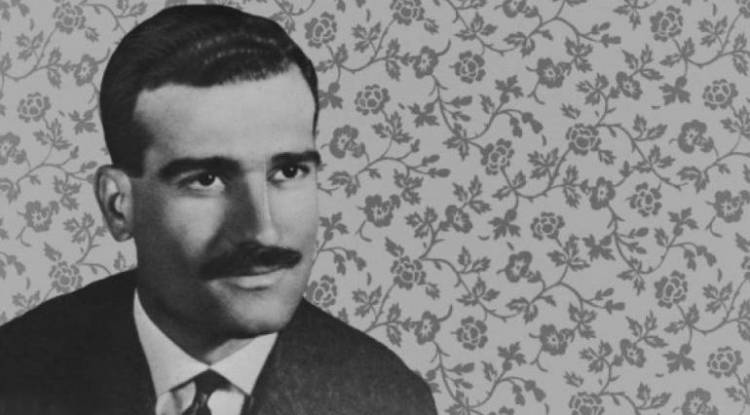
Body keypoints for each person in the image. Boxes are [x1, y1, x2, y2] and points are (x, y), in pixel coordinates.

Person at [0, 5, 437, 415]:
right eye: (206, 179)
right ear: (119, 205)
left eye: (288, 171)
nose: (262, 231)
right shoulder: (14, 374)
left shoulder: (388, 401)